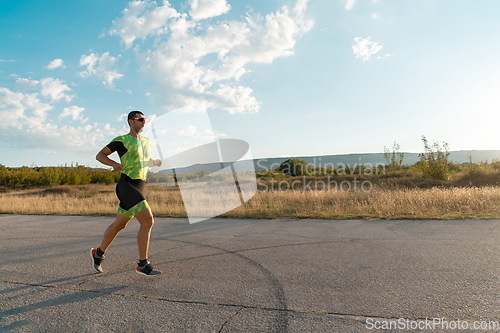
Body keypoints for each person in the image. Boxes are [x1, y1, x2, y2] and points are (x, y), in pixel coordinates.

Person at [90, 110, 162, 277]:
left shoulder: (147, 141)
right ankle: (143, 265)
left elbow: (142, 161)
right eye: (141, 119)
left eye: (145, 119)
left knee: (119, 225)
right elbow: (100, 155)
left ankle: (98, 254)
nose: (144, 122)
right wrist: (114, 163)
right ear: (131, 121)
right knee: (148, 221)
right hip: (126, 184)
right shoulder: (122, 140)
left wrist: (154, 162)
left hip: (139, 185)